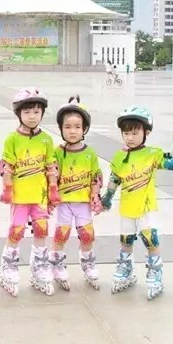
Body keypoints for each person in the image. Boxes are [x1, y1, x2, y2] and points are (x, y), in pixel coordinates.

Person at [100, 105, 173, 300]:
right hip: (127, 207)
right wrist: (107, 197)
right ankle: (126, 267)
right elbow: (115, 178)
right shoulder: (120, 156)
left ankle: (155, 271)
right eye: (126, 133)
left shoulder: (153, 154)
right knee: (126, 240)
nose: (130, 137)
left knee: (150, 239)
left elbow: (171, 164)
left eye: (134, 133)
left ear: (146, 132)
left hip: (146, 208)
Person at [0, 87, 58, 297]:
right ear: (19, 114)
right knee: (16, 230)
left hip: (40, 196)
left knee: (41, 229)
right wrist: (7, 189)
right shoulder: (12, 139)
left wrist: (53, 190)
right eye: (27, 112)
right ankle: (9, 265)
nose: (32, 116)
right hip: (20, 196)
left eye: (36, 112)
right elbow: (8, 167)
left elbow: (51, 167)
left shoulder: (46, 139)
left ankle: (39, 264)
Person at [50, 96, 104, 291]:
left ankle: (88, 264)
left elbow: (95, 177)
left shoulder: (90, 154)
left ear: (84, 129)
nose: (72, 131)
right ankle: (57, 264)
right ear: (61, 128)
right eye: (67, 127)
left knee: (87, 235)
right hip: (64, 202)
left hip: (83, 203)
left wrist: (95, 196)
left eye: (77, 127)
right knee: (61, 234)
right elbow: (52, 174)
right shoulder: (57, 152)